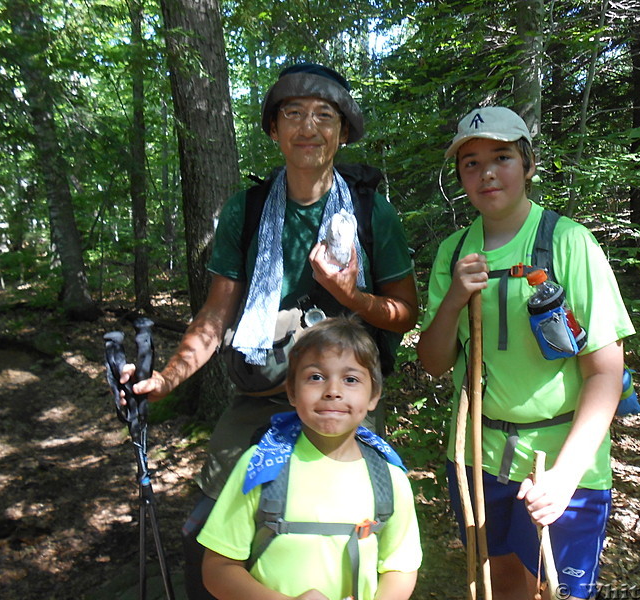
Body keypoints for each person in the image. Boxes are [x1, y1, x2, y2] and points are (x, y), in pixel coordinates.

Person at [121, 64, 418, 599]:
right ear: (275, 131)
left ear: (343, 131)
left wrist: (350, 295)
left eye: (324, 115)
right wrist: (167, 378)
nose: (309, 126)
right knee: (210, 525)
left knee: (347, 522)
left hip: (341, 395)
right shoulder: (248, 211)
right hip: (261, 392)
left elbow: (404, 313)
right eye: (293, 113)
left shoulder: (374, 213)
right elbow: (216, 315)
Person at [416, 106, 635, 600]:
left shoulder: (570, 243)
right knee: (503, 582)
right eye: (470, 162)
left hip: (560, 461)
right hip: (477, 456)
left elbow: (605, 371)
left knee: (554, 591)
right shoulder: (454, 251)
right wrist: (454, 297)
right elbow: (432, 363)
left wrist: (564, 476)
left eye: (501, 156)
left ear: (528, 163)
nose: (486, 172)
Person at [198, 315, 421, 600]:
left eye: (351, 379)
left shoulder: (388, 479)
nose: (333, 391)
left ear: (373, 395)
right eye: (316, 377)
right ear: (291, 391)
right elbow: (218, 568)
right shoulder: (262, 468)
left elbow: (399, 567)